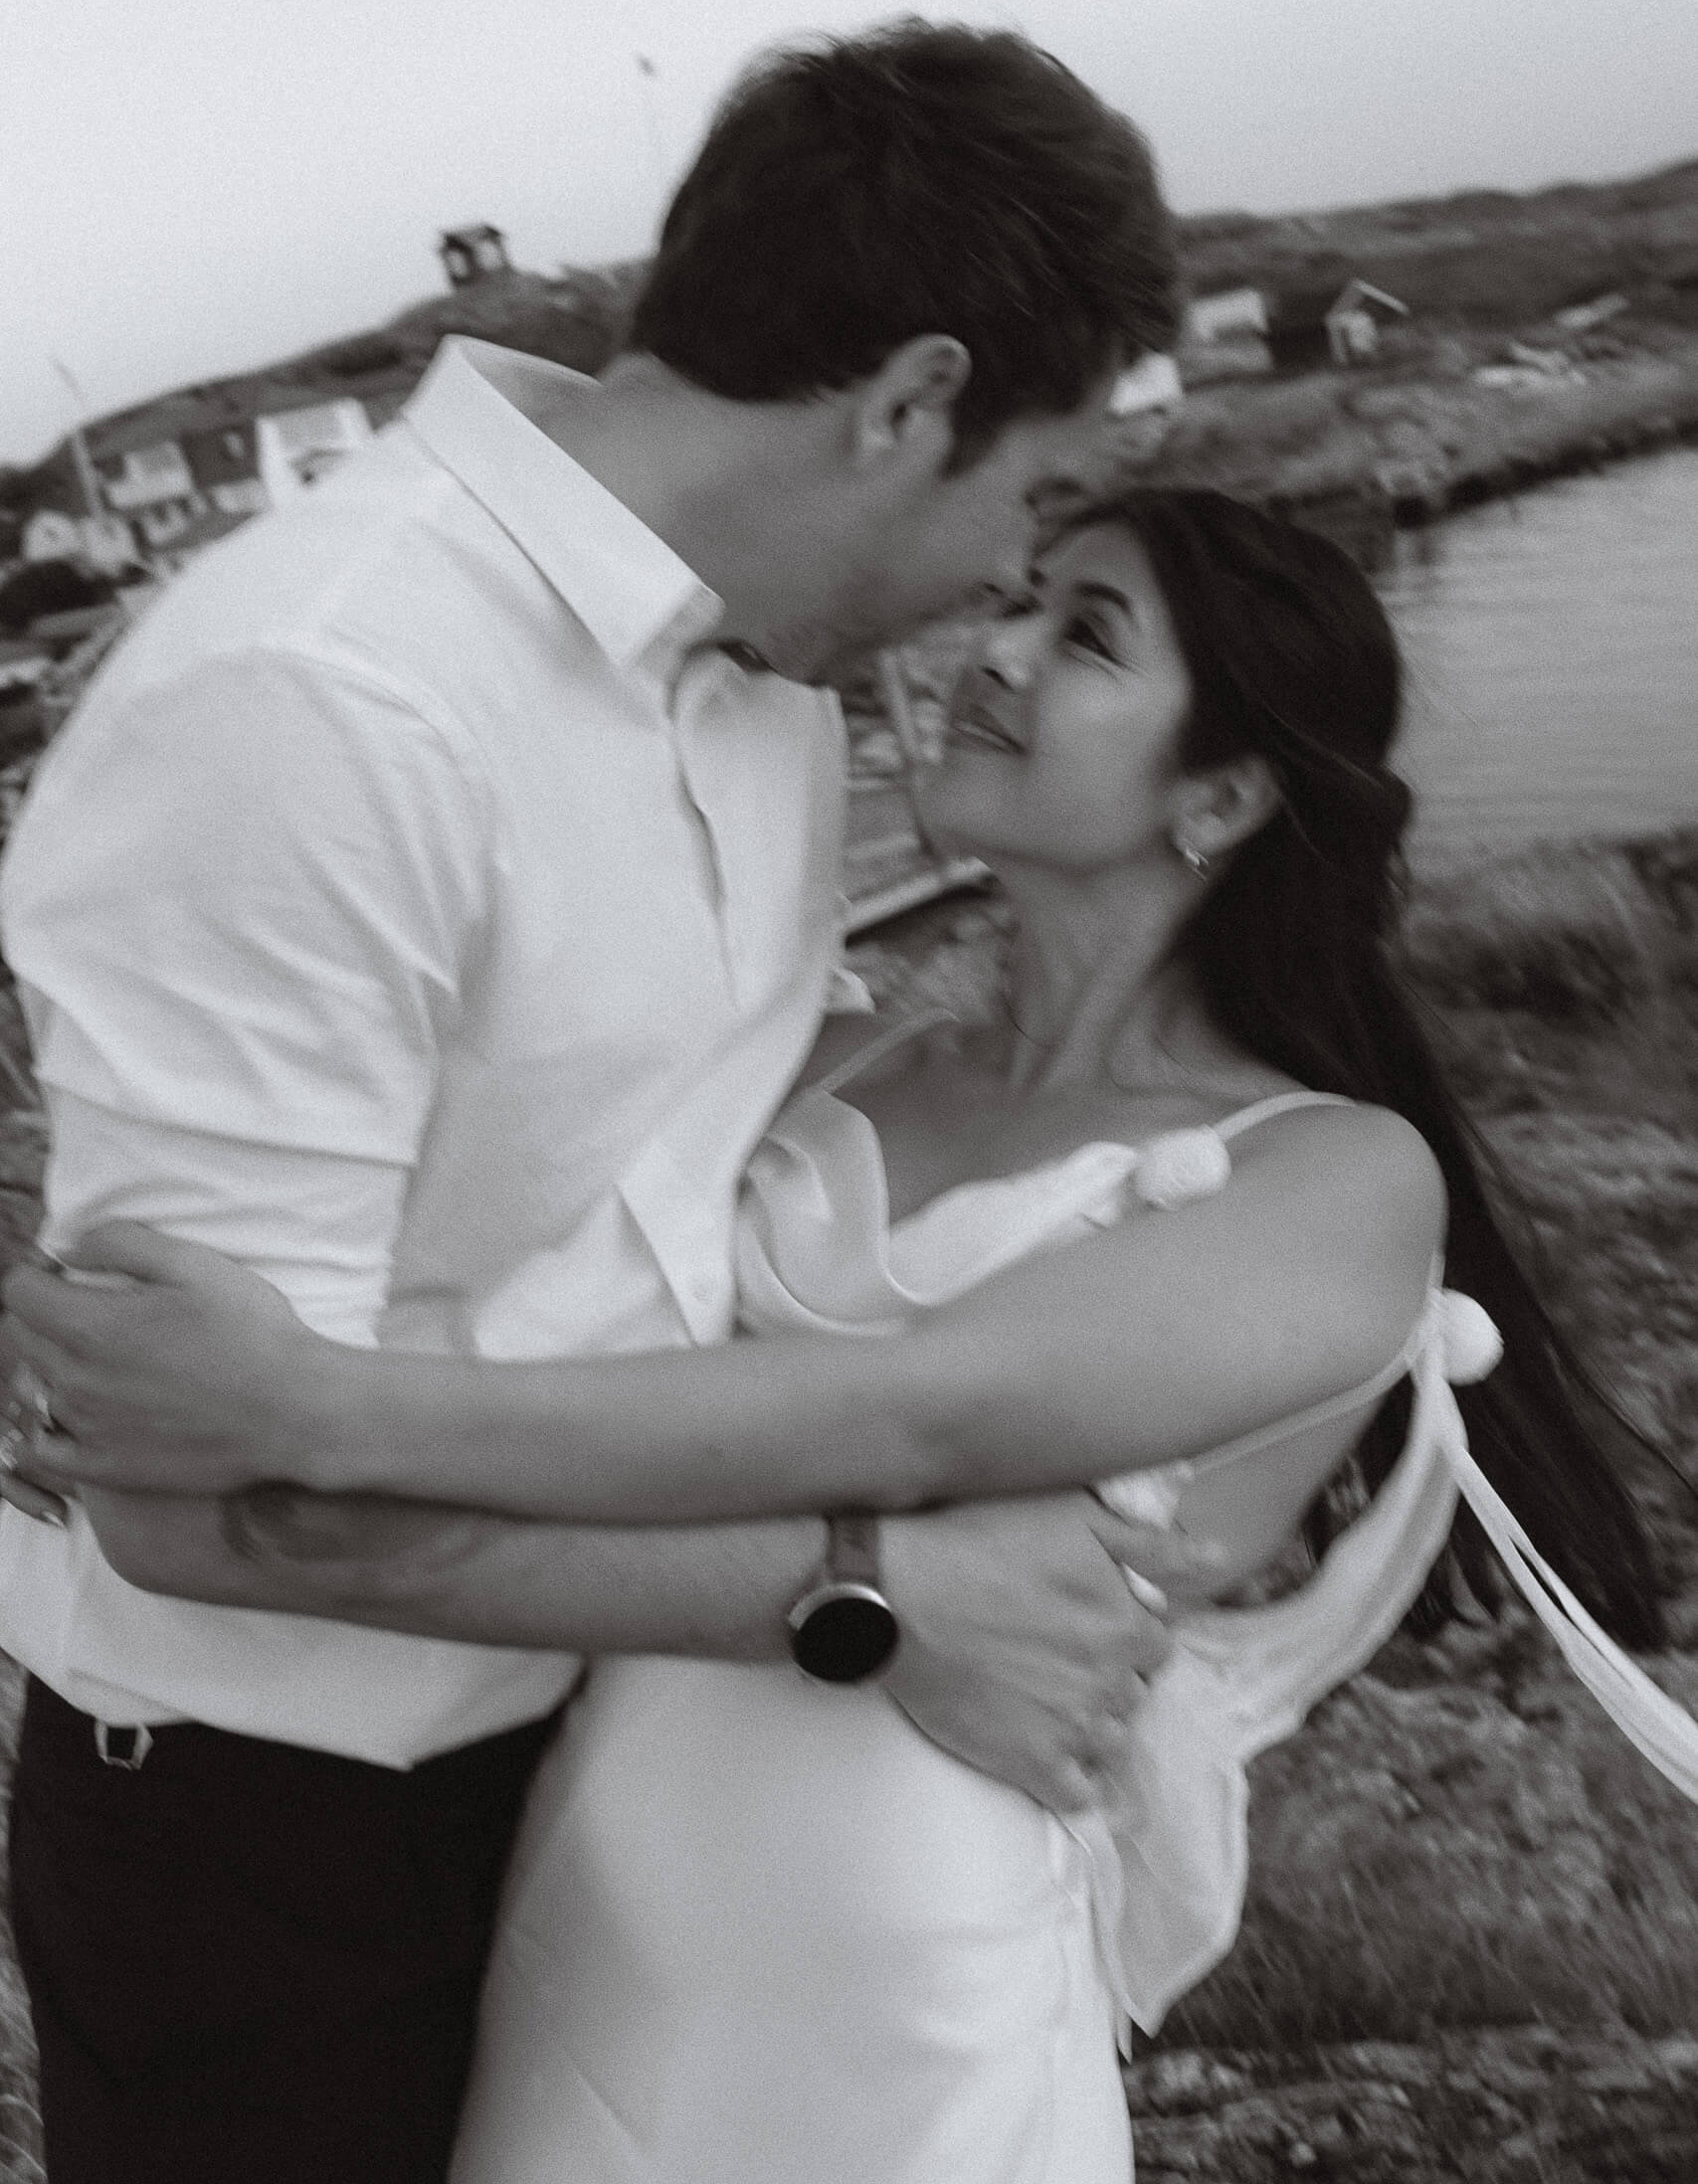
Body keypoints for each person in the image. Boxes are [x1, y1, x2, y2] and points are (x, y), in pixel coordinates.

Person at [12, 490, 1695, 2184]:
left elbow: (911, 1414)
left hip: (899, 1934)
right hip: (594, 1871)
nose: (1000, 650)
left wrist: (310, 1413)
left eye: (1087, 634)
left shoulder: (1333, 1175)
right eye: (1019, 600)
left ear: (1224, 795)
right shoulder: (831, 1062)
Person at [0, 20, 1186, 2184]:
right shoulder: (316, 699)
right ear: (906, 402)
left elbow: (655, 1179)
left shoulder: (777, 685)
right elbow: (185, 1495)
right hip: (289, 1814)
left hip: (633, 1738)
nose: (1007, 587)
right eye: (1030, 499)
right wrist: (865, 1597)